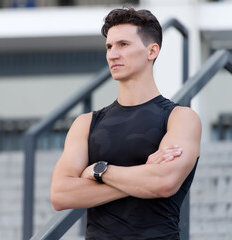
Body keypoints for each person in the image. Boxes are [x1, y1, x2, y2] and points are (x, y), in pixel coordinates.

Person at [50, 6, 201, 240]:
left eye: (123, 45)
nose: (112, 54)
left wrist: (98, 171)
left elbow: (163, 182)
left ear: (152, 51)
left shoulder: (181, 118)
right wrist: (143, 175)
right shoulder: (86, 123)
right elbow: (61, 195)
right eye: (109, 46)